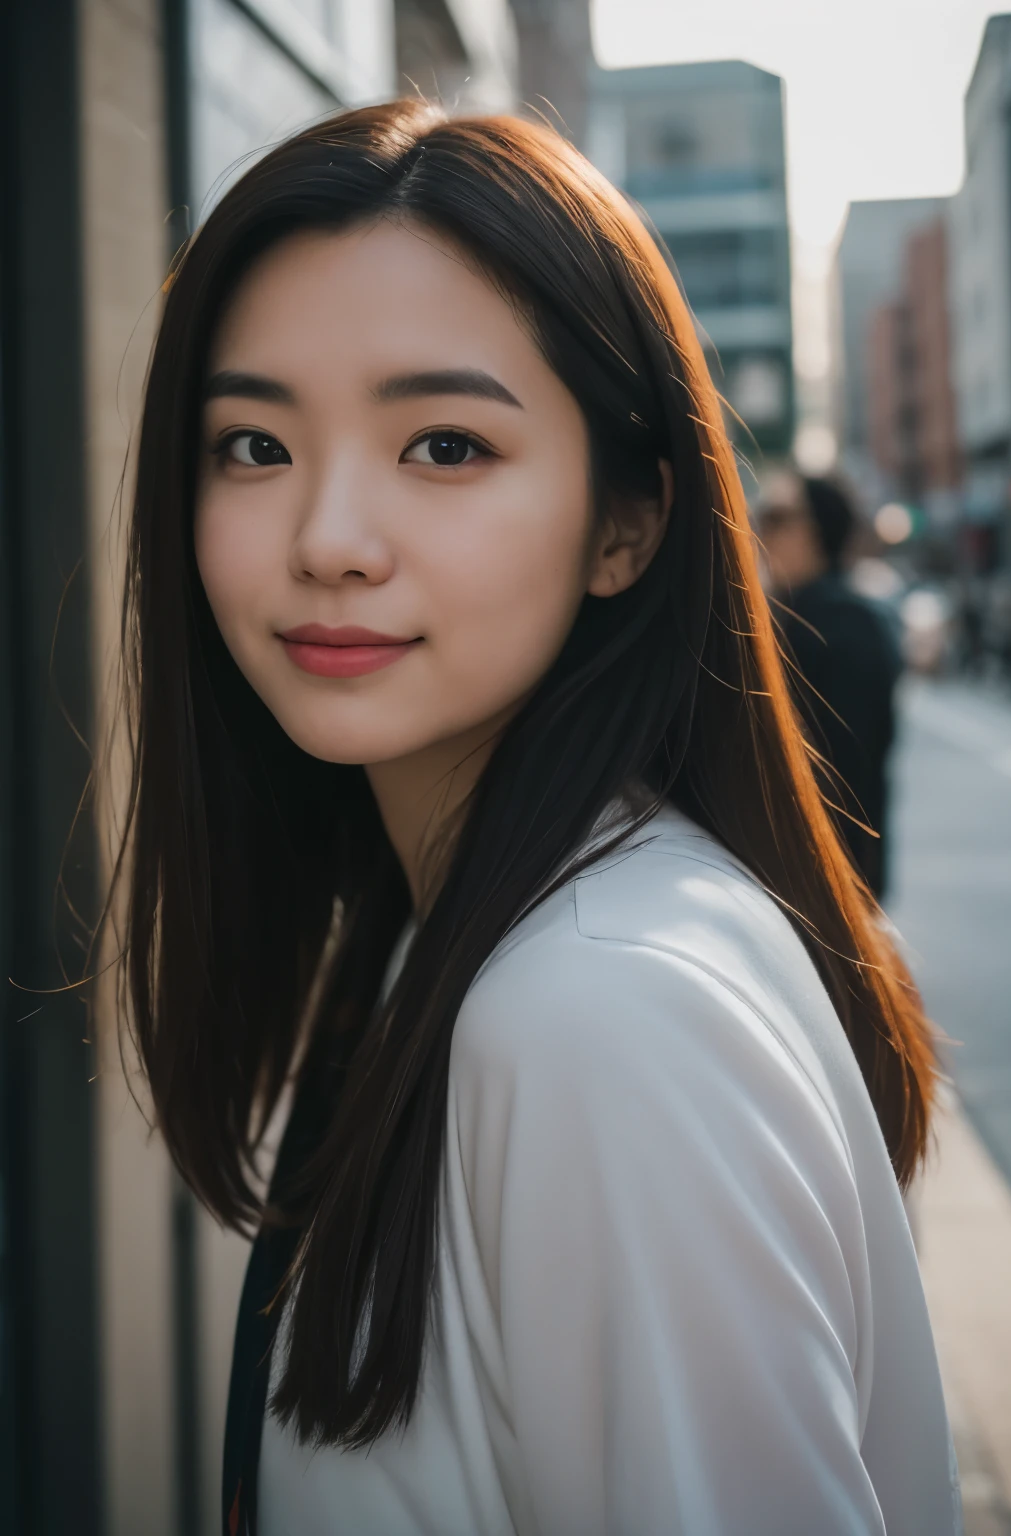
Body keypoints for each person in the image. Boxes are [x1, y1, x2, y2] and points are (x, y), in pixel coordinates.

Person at [106, 103, 960, 1534]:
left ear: (627, 522)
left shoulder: (600, 1009)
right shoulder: (462, 930)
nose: (327, 538)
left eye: (443, 445)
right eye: (252, 445)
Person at [757, 473, 903, 900]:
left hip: (827, 882)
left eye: (779, 517)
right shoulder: (795, 615)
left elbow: (845, 774)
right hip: (812, 877)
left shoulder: (840, 625)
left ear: (816, 531)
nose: (763, 529)